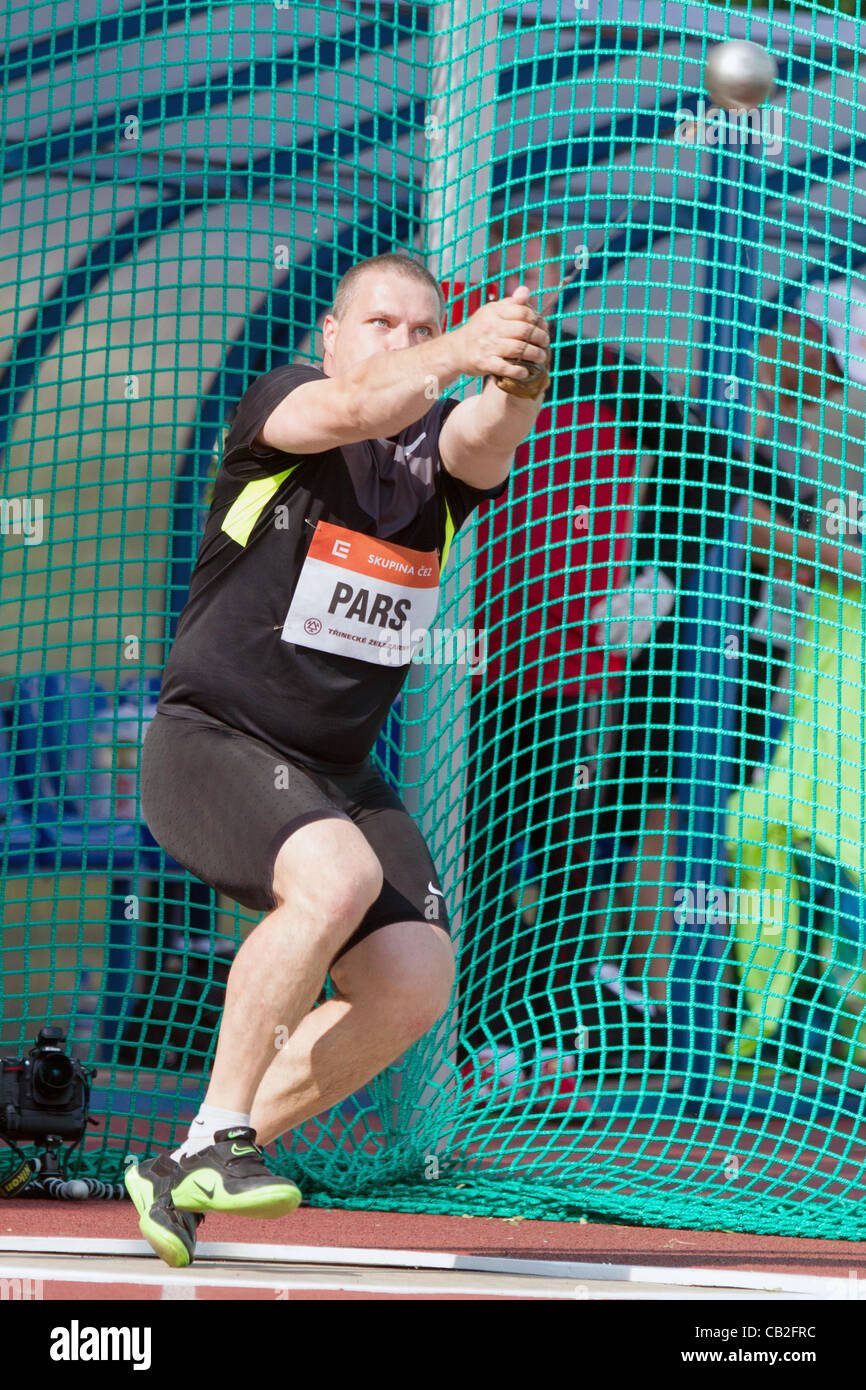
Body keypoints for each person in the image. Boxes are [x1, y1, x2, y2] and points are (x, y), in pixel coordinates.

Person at [124, 251, 551, 1267]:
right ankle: (222, 1134)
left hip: (335, 772)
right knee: (337, 876)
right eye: (380, 322)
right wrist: (454, 347)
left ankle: (186, 1159)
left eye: (420, 327)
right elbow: (352, 408)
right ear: (329, 334)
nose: (401, 341)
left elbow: (483, 439)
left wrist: (517, 383)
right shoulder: (285, 402)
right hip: (213, 739)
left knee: (413, 977)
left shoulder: (434, 462)